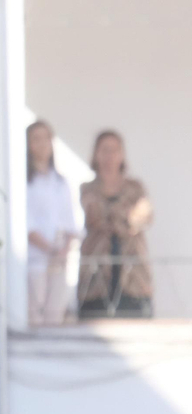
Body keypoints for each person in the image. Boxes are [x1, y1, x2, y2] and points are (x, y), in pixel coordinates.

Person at [78, 130, 153, 318]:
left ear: (122, 154)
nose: (110, 156)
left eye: (114, 150)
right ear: (96, 154)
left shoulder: (135, 187)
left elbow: (144, 216)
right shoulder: (88, 188)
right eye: (105, 150)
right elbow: (94, 217)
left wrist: (126, 220)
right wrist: (127, 218)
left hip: (132, 274)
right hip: (96, 275)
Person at [26, 119, 79, 325]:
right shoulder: (26, 182)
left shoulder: (60, 181)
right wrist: (48, 248)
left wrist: (64, 249)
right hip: (35, 258)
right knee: (34, 314)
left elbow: (70, 221)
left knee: (55, 314)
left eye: (46, 138)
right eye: (36, 139)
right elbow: (27, 223)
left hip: (59, 258)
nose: (42, 144)